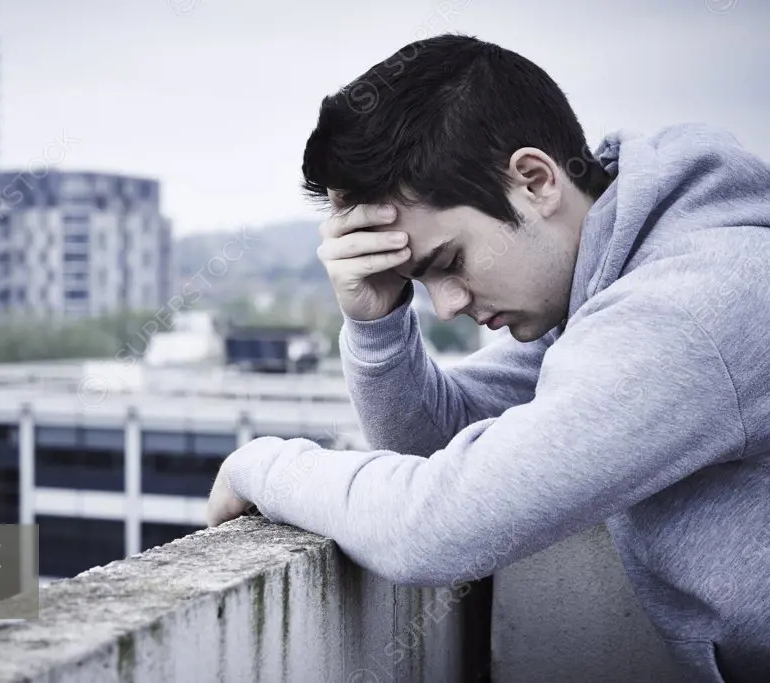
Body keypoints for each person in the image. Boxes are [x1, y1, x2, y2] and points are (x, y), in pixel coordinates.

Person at [205, 34, 770, 681]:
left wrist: (266, 464)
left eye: (448, 262)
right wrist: (376, 320)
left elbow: (438, 525)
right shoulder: (613, 282)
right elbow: (439, 445)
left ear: (533, 181)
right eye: (421, 279)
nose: (443, 305)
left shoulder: (688, 308)